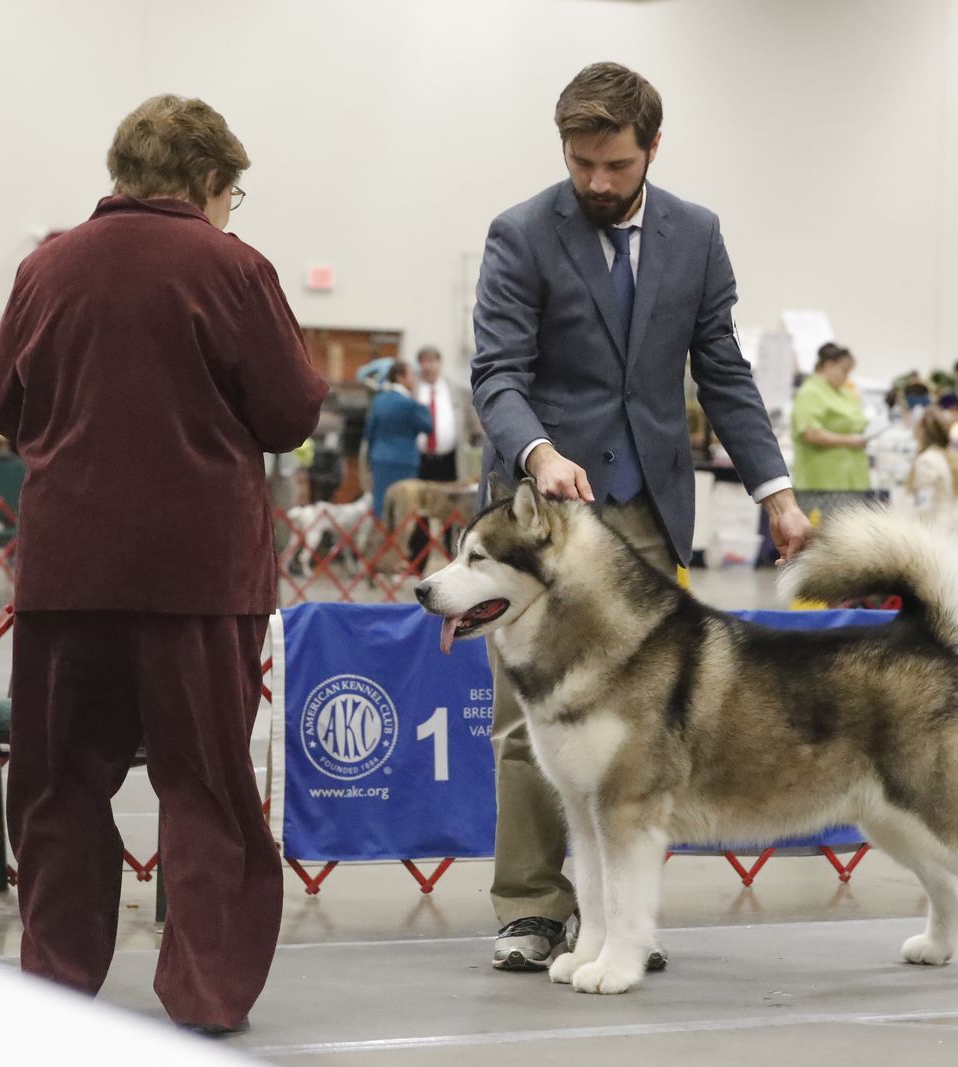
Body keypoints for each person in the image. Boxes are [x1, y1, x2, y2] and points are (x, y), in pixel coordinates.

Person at [0, 93, 325, 1034]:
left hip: (68, 571)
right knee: (206, 785)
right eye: (232, 192)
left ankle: (55, 982)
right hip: (199, 578)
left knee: (57, 787)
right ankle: (206, 996)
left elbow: (5, 406)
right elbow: (293, 415)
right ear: (209, 181)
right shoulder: (235, 268)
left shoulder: (44, 267)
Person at [471, 61, 811, 971]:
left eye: (614, 164)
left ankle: (618, 925)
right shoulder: (520, 233)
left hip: (651, 514)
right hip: (543, 524)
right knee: (532, 721)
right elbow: (497, 373)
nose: (596, 181)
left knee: (641, 733)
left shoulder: (697, 237)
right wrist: (538, 454)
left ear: (652, 148)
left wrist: (774, 488)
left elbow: (724, 372)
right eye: (581, 163)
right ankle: (532, 907)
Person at [791, 342, 871, 491]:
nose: (847, 377)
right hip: (824, 483)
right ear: (828, 365)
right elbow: (809, 433)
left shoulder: (844, 392)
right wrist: (849, 440)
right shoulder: (810, 393)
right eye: (844, 371)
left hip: (852, 480)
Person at [362, 359, 432, 515]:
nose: (414, 379)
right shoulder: (410, 404)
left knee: (380, 504)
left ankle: (380, 538)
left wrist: (369, 460)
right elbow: (428, 426)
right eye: (411, 375)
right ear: (400, 377)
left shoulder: (378, 401)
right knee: (403, 507)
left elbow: (369, 432)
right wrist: (422, 406)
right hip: (404, 461)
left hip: (380, 458)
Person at [412, 345, 479, 483]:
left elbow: (472, 422)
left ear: (439, 363)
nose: (428, 367)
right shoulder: (412, 392)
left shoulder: (456, 391)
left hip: (450, 460)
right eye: (424, 362)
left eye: (432, 362)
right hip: (418, 459)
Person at [905, 407, 958, 530]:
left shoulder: (926, 461)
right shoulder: (947, 457)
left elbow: (923, 504)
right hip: (951, 524)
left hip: (934, 529)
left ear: (922, 431)